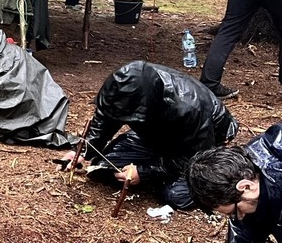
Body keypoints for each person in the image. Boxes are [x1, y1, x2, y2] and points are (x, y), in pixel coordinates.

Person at [64, 61, 238, 210]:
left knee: (176, 195)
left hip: (199, 143)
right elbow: (106, 119)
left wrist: (143, 171)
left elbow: (194, 157)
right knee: (104, 167)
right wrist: (83, 150)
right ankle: (158, 171)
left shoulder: (189, 108)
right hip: (155, 137)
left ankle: (163, 176)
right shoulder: (123, 91)